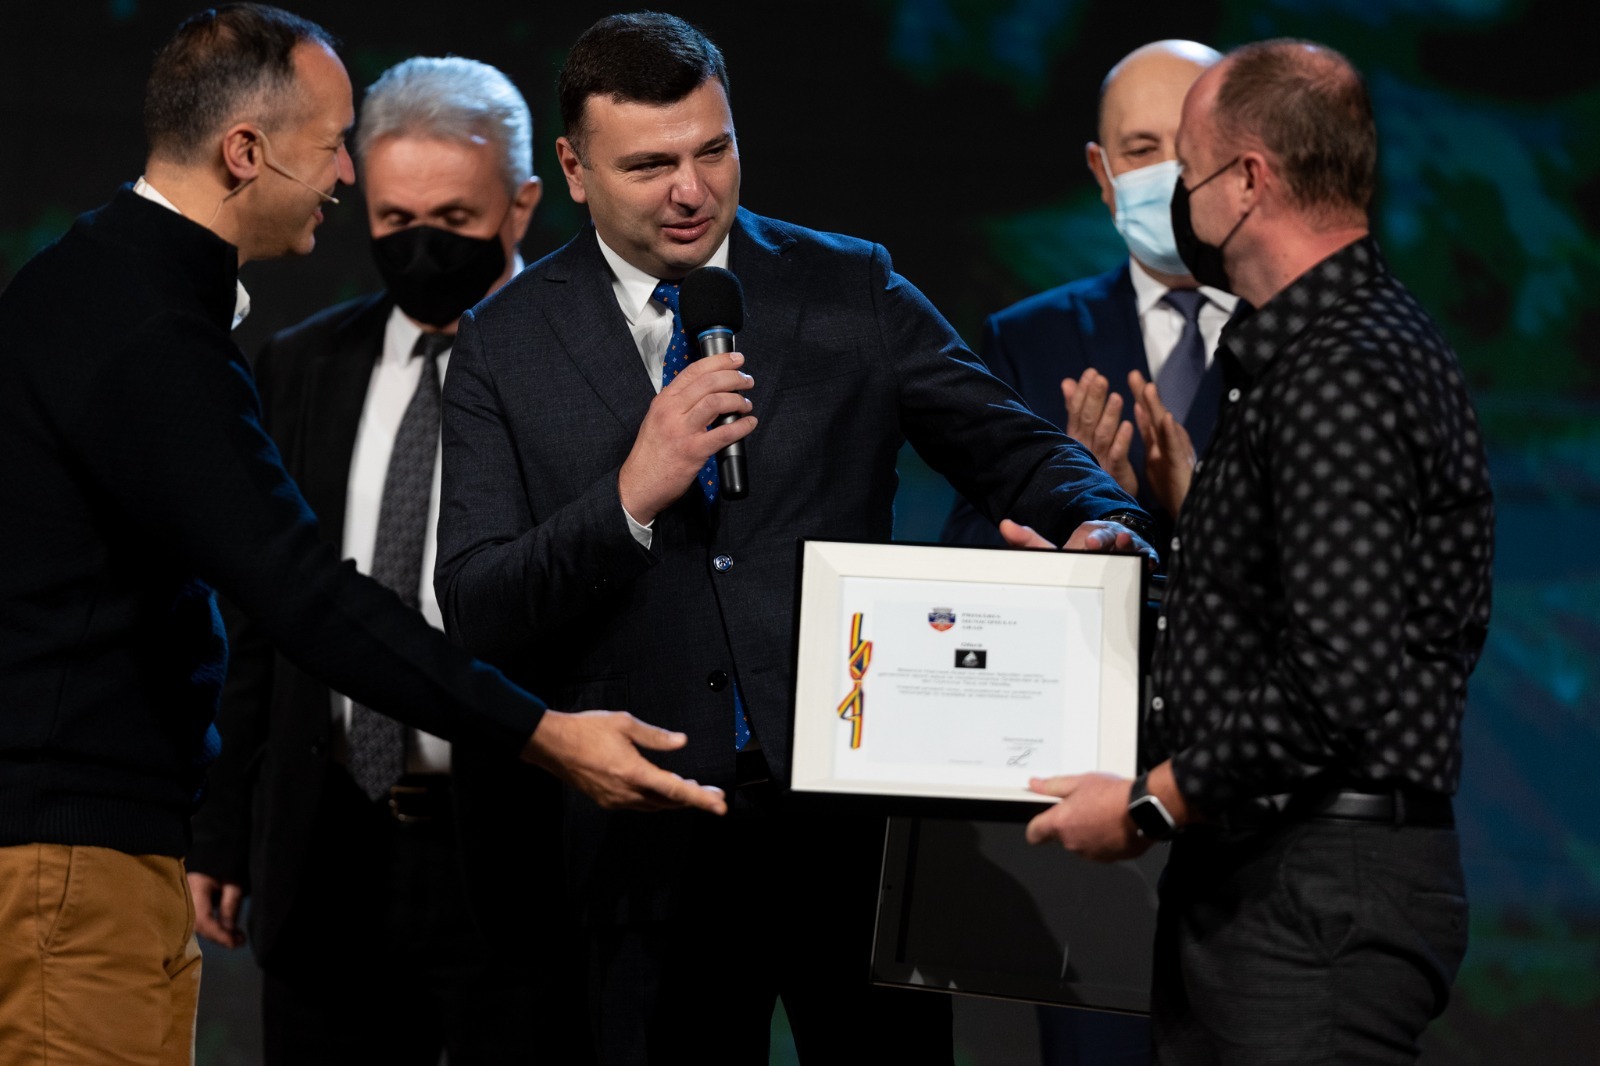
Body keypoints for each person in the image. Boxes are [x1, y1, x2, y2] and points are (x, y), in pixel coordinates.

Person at [0, 7, 722, 1064]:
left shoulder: (105, 283)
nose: (346, 172)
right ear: (245, 152)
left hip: (117, 846)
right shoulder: (149, 328)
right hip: (78, 853)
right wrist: (544, 732)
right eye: (334, 143)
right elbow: (300, 596)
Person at [434, 12, 1154, 1064]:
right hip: (645, 847)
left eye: (713, 150)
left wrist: (1102, 521)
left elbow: (1020, 452)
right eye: (650, 165)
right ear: (575, 171)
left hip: (854, 835)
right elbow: (477, 602)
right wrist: (629, 497)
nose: (691, 190)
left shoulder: (847, 283)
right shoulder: (504, 342)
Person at [1020, 38, 1494, 1063]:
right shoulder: (1310, 354)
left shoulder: (1343, 370)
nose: (1175, 199)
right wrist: (1157, 543)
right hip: (1273, 881)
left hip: (1315, 896)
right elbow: (1294, 604)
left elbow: (1336, 676)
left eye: (1186, 171)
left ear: (1246, 182)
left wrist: (1149, 805)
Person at [183, 55, 593, 1065]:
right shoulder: (301, 364)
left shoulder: (586, 369)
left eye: (454, 218)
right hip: (327, 843)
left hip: (521, 852)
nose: (421, 245)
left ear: (522, 204)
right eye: (395, 218)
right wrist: (222, 829)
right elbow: (258, 613)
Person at [944, 40, 1233, 554]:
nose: (1172, 171)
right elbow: (973, 541)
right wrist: (1069, 502)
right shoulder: (1028, 339)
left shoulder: (1310, 332)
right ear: (1103, 173)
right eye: (1142, 151)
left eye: (1195, 144)